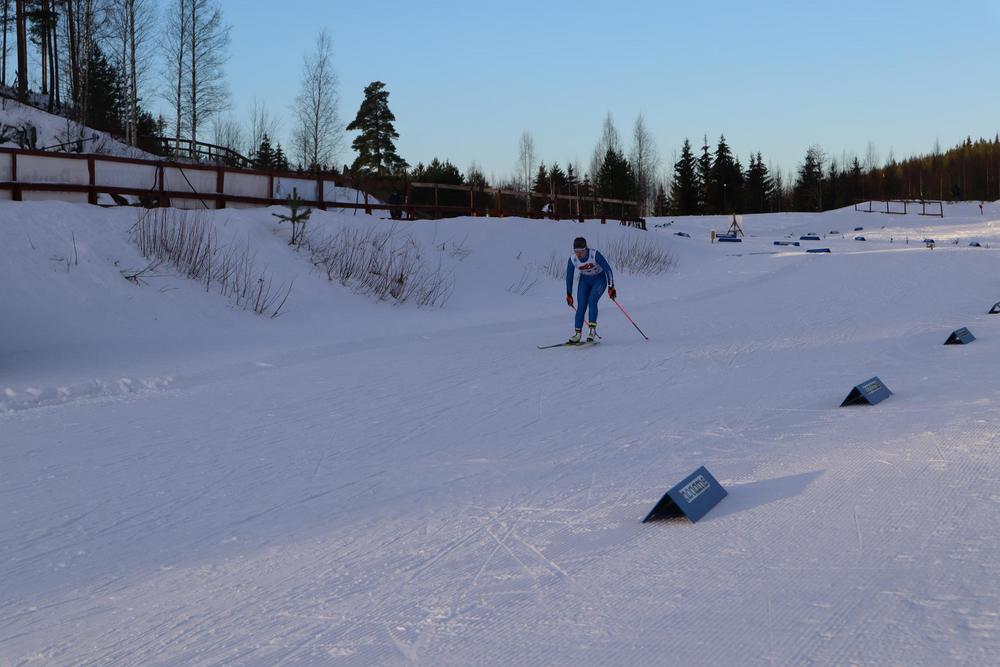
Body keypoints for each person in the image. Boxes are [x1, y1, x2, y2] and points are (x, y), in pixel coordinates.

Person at [565, 236, 616, 343]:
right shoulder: (573, 259)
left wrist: (611, 287)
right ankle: (577, 334)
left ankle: (591, 331)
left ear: (586, 249)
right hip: (584, 281)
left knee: (592, 301)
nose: (578, 254)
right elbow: (569, 277)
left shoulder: (594, 254)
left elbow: (608, 270)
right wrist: (569, 294)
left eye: (581, 251)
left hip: (599, 280)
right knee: (581, 305)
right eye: (576, 251)